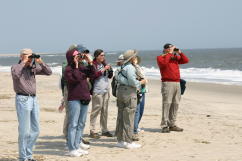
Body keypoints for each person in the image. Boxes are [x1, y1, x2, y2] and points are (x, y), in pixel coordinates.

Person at [11, 48, 52, 161]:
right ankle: (23, 157)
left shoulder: (33, 68)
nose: (30, 58)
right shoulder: (16, 67)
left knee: (36, 130)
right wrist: (24, 62)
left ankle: (28, 155)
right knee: (24, 131)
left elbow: (49, 72)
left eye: (30, 56)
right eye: (27, 56)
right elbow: (15, 75)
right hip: (22, 99)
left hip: (34, 100)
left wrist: (40, 61)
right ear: (21, 56)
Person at [64, 48, 95, 157]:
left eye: (79, 55)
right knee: (73, 124)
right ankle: (71, 148)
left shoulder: (82, 67)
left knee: (81, 124)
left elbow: (92, 73)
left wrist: (90, 61)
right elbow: (76, 78)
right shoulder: (68, 69)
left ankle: (77, 146)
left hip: (84, 98)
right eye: (76, 56)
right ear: (71, 58)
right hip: (74, 99)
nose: (78, 57)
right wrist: (76, 66)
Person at [115, 50, 146, 149]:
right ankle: (128, 142)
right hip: (129, 92)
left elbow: (117, 78)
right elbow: (133, 82)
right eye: (134, 57)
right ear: (132, 58)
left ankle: (120, 140)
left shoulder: (120, 67)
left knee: (120, 116)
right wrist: (141, 82)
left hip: (120, 92)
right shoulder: (130, 68)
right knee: (129, 117)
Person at [156, 43, 189, 133]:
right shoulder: (160, 57)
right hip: (167, 83)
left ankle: (172, 124)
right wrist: (170, 53)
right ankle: (164, 125)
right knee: (167, 104)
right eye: (170, 48)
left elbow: (186, 60)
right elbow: (164, 64)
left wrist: (180, 53)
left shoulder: (174, 57)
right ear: (166, 49)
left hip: (177, 83)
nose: (172, 49)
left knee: (175, 103)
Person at [89, 49, 113, 139]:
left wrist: (110, 70)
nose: (103, 57)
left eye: (104, 55)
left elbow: (110, 76)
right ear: (96, 56)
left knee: (105, 111)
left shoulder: (104, 64)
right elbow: (93, 76)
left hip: (106, 90)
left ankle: (104, 130)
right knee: (95, 110)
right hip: (97, 90)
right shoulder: (93, 65)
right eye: (101, 55)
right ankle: (92, 130)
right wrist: (103, 70)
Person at [132, 56, 148, 141]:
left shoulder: (138, 67)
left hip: (142, 90)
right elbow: (141, 75)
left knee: (141, 110)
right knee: (137, 111)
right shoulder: (132, 68)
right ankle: (134, 129)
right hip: (137, 91)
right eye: (134, 59)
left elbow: (143, 76)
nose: (136, 60)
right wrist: (135, 64)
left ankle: (136, 126)